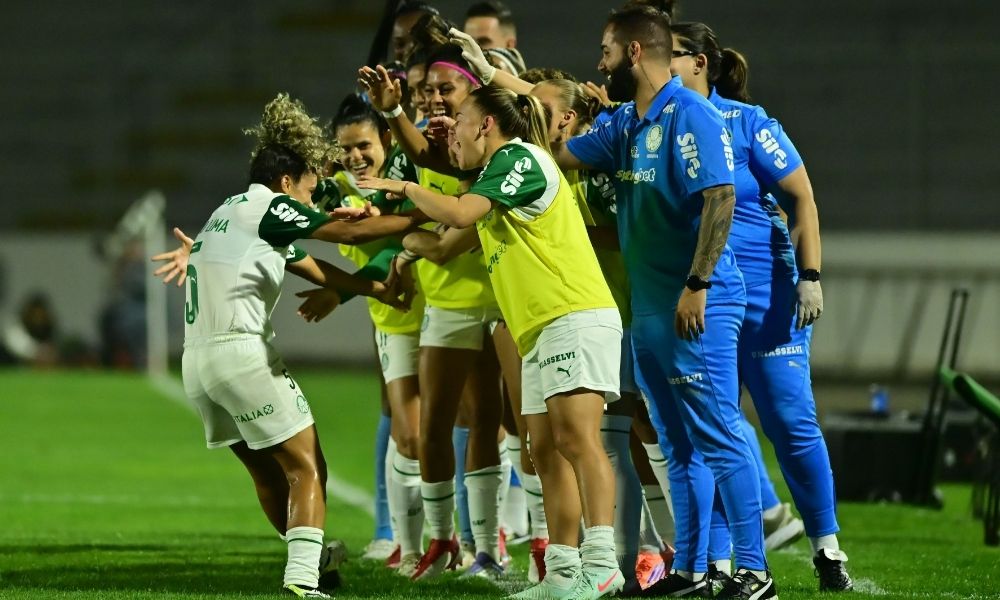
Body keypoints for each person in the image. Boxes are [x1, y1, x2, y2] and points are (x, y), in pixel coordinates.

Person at [358, 85, 626, 600]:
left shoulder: (519, 157)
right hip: (539, 327)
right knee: (542, 449)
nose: (453, 131)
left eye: (460, 119)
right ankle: (563, 574)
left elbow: (457, 215)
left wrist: (404, 187)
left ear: (486, 124)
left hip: (573, 314)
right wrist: (399, 239)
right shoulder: (494, 181)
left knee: (577, 440)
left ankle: (602, 562)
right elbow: (444, 238)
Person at [150, 94, 420, 599]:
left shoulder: (228, 211)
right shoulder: (272, 207)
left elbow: (307, 263)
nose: (310, 200)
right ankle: (302, 579)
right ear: (286, 183)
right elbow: (346, 233)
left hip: (197, 365)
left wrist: (373, 289)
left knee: (269, 472)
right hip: (240, 355)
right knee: (307, 465)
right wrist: (424, 215)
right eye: (309, 190)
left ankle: (314, 558)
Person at [554, 6, 777, 599]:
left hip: (696, 304)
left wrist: (698, 284)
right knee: (676, 446)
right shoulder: (628, 121)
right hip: (650, 311)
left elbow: (720, 197)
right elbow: (565, 156)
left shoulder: (692, 114)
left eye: (605, 51)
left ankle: (754, 573)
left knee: (720, 436)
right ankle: (690, 570)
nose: (597, 63)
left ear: (632, 53)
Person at [669, 21, 851, 592]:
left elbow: (801, 197)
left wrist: (810, 277)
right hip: (705, 298)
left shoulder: (747, 121)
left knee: (790, 424)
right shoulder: (656, 124)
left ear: (699, 62)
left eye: (668, 55)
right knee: (715, 431)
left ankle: (827, 548)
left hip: (768, 299)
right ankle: (723, 562)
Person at [358, 42, 512, 581]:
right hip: (446, 302)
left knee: (501, 425)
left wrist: (413, 244)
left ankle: (503, 547)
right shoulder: (427, 147)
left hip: (500, 300)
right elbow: (415, 178)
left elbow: (446, 235)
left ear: (476, 95)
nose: (437, 99)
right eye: (429, 91)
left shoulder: (492, 149)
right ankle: (444, 543)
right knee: (434, 429)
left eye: (447, 89)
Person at [312, 94, 428, 564]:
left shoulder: (409, 176)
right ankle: (404, 539)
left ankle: (477, 540)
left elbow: (399, 239)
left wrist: (337, 292)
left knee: (460, 430)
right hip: (395, 317)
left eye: (363, 145)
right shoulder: (335, 192)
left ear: (384, 137)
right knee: (411, 436)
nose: (356, 157)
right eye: (346, 149)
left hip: (444, 310)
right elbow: (384, 254)